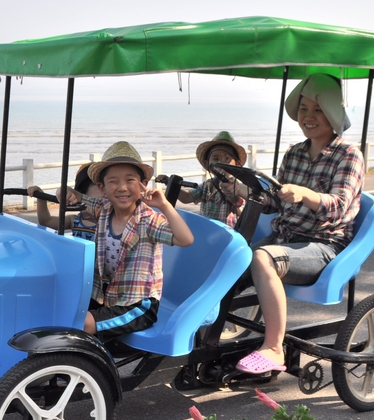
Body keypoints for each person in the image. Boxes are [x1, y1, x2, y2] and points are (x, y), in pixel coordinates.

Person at [235, 73, 365, 374]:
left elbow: (339, 208)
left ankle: (273, 348)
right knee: (230, 259)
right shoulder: (294, 153)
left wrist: (307, 194)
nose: (308, 117)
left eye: (318, 110)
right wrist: (241, 190)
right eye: (304, 109)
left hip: (324, 244)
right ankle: (205, 335)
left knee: (262, 259)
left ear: (333, 113)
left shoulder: (348, 155)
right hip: (286, 238)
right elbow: (276, 203)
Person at [61, 141, 195, 342]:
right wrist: (61, 193)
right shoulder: (103, 209)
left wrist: (164, 205)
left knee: (82, 323)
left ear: (143, 185)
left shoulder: (149, 220)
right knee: (62, 307)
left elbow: (186, 239)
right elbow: (74, 195)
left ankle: (89, 368)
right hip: (106, 296)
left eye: (130, 180)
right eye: (113, 181)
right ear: (102, 188)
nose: (122, 187)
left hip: (138, 305)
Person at [156, 131, 247, 227]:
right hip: (206, 230)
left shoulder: (235, 185)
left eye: (226, 159)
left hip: (226, 234)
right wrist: (170, 183)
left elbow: (236, 201)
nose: (220, 163)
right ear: (207, 163)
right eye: (216, 159)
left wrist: (232, 193)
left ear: (236, 164)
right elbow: (187, 197)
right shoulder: (207, 185)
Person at [27, 163, 100, 241]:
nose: (107, 190)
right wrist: (41, 197)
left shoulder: (108, 221)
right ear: (82, 192)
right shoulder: (75, 220)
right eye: (99, 186)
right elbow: (46, 221)